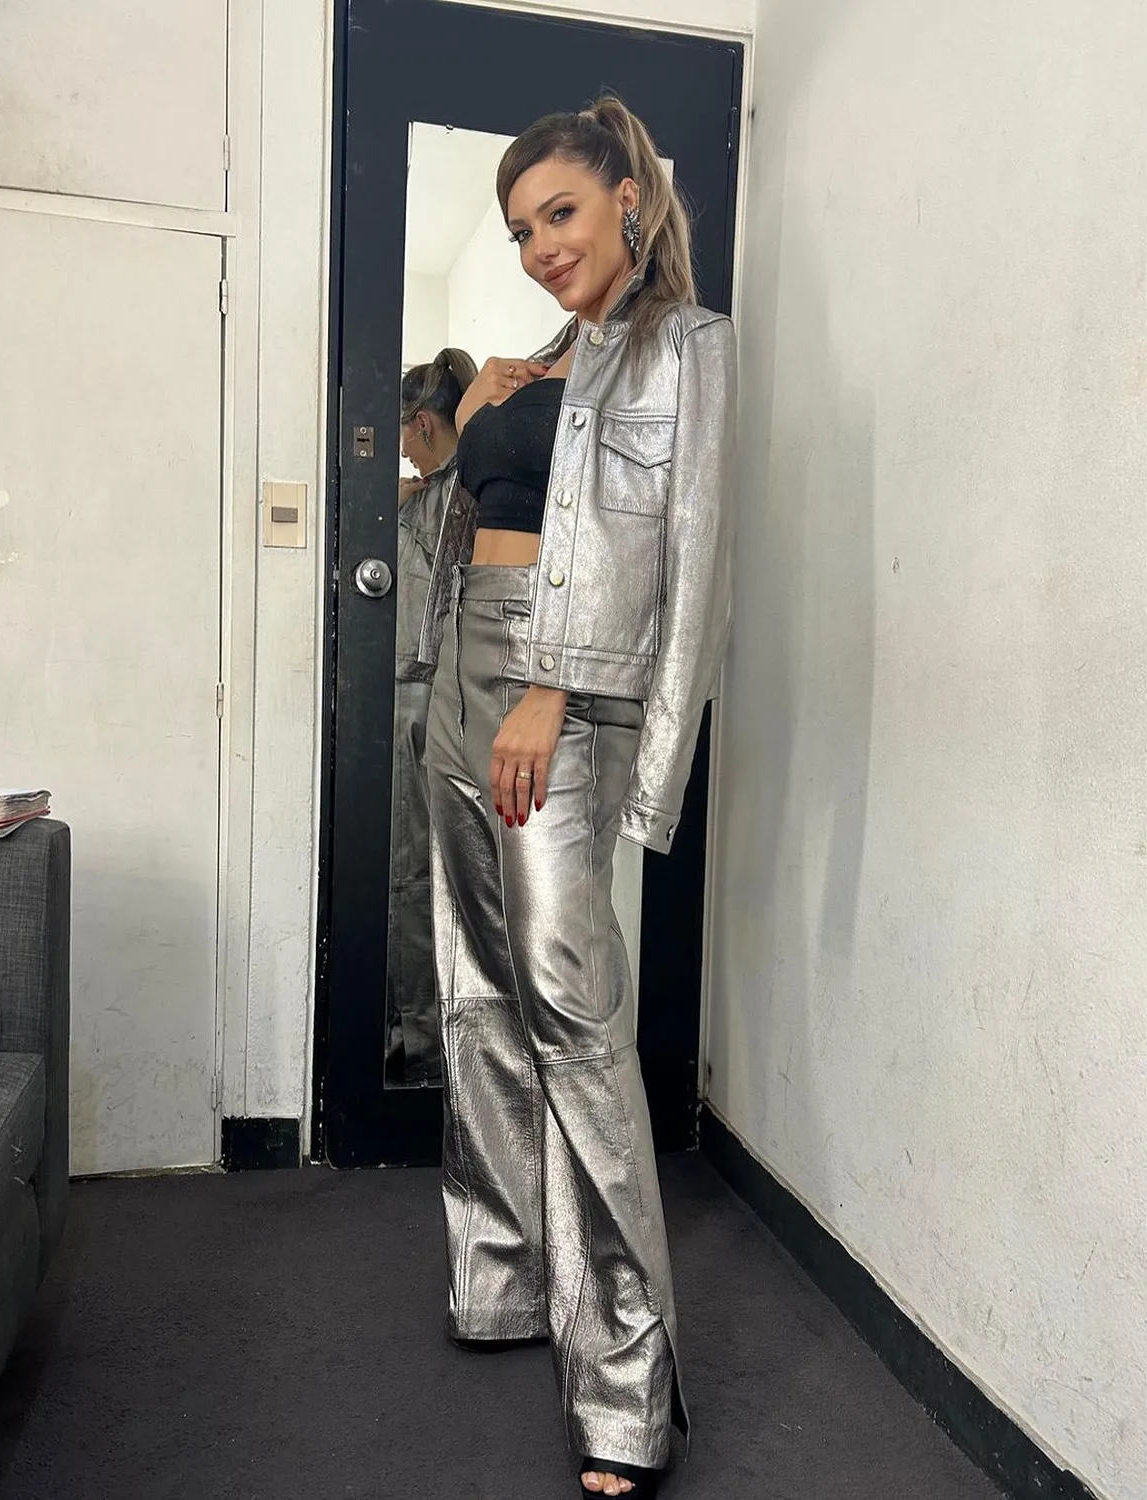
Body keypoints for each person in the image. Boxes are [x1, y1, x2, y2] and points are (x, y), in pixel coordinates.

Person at [418, 97, 737, 1497]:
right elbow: (478, 518)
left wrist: (556, 691)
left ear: (626, 198)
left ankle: (624, 1391)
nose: (541, 245)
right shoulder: (537, 361)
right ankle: (499, 1280)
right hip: (460, 683)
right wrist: (470, 421)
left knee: (572, 1017)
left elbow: (687, 565)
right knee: (475, 991)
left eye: (560, 212)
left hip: (561, 701)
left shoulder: (685, 348)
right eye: (520, 229)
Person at [386, 348, 477, 1084]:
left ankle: (422, 1036)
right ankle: (431, 1030)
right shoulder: (457, 491)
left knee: (413, 871)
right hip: (455, 701)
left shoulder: (447, 499)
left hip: (425, 700)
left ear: (422, 423)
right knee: (435, 870)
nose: (402, 451)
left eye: (403, 434)